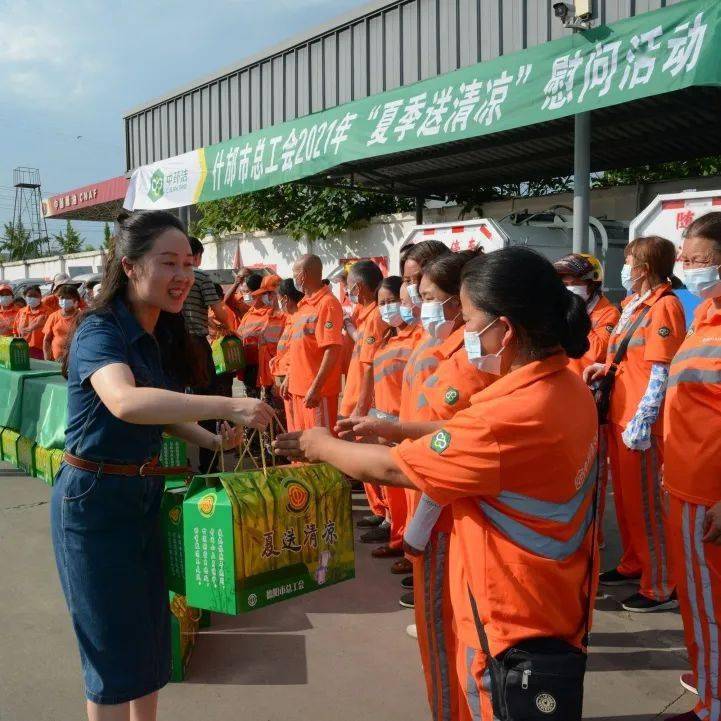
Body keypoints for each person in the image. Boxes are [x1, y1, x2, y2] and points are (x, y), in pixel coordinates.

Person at [276, 246, 598, 721]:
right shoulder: (563, 389)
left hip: (508, 619)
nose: (464, 333)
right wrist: (399, 428)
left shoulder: (507, 416)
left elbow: (393, 470)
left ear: (504, 331)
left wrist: (318, 444)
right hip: (554, 601)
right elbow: (477, 443)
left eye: (468, 321)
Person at [50, 210, 273, 721]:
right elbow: (128, 403)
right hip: (93, 500)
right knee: (108, 642)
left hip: (144, 492)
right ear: (129, 267)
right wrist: (225, 406)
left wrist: (212, 442)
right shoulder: (99, 330)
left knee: (152, 629)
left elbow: (162, 414)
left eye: (189, 265)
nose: (183, 277)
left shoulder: (155, 332)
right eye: (168, 263)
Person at [585, 236, 686, 612]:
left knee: (645, 506)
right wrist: (605, 368)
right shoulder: (633, 305)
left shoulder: (664, 307)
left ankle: (661, 584)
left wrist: (644, 419)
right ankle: (634, 563)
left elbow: (662, 370)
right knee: (627, 504)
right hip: (619, 417)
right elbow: (631, 359)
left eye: (628, 262)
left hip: (639, 426)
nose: (624, 268)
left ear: (643, 269)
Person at [663, 212, 721, 721]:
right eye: (685, 258)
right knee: (702, 601)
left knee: (709, 604)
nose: (688, 268)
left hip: (709, 494)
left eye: (699, 259)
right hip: (685, 484)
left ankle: (713, 704)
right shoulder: (704, 316)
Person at [554, 253, 621, 549]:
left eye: (573, 280)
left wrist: (569, 320)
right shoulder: (561, 310)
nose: (567, 285)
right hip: (560, 403)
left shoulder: (607, 315)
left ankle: (594, 538)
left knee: (592, 477)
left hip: (591, 407)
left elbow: (590, 352)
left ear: (592, 283)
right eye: (563, 280)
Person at [181, 235, 234, 472]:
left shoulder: (167, 277)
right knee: (206, 402)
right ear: (197, 256)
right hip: (195, 345)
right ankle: (208, 465)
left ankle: (178, 462)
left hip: (168, 345)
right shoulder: (199, 277)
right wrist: (229, 327)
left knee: (171, 403)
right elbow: (218, 310)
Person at [287, 254, 344, 430]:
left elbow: (332, 348)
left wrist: (316, 387)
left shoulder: (327, 304)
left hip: (317, 394)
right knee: (303, 448)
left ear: (303, 275)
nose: (293, 277)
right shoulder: (304, 305)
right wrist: (290, 376)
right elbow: (299, 347)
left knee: (320, 448)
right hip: (298, 390)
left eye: (294, 273)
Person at [554, 253, 621, 376]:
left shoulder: (609, 313)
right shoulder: (560, 308)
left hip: (587, 385)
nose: (569, 289)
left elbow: (597, 352)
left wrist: (577, 315)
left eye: (574, 284)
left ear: (591, 284)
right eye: (565, 285)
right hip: (560, 379)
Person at [338, 260, 386, 419]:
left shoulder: (376, 316)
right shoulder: (365, 311)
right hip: (354, 398)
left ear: (358, 288)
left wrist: (360, 409)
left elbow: (370, 368)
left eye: (348, 286)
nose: (346, 291)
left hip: (362, 407)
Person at [271, 279, 304, 432]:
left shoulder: (299, 319)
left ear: (285, 299)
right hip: (284, 379)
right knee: (290, 424)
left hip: (291, 381)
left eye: (279, 298)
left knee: (294, 424)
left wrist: (289, 376)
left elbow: (298, 353)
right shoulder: (291, 319)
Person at [255, 274, 286, 400]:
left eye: (267, 293)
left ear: (276, 293)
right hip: (268, 379)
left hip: (280, 378)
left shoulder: (287, 317)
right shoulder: (268, 316)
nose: (264, 297)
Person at [234, 273, 266, 397]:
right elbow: (241, 335)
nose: (244, 295)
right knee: (252, 398)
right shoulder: (248, 314)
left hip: (263, 365)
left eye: (246, 291)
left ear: (257, 292)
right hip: (249, 364)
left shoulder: (270, 314)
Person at [42, 284, 81, 362]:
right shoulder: (53, 316)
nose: (64, 300)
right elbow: (47, 340)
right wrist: (47, 359)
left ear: (75, 299)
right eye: (62, 298)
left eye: (68, 298)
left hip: (76, 359)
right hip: (56, 359)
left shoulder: (81, 316)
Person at [14, 285, 48, 359]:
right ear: (25, 297)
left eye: (35, 296)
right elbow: (15, 332)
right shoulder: (21, 311)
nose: (33, 298)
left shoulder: (48, 312)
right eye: (30, 296)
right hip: (22, 350)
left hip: (41, 351)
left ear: (40, 296)